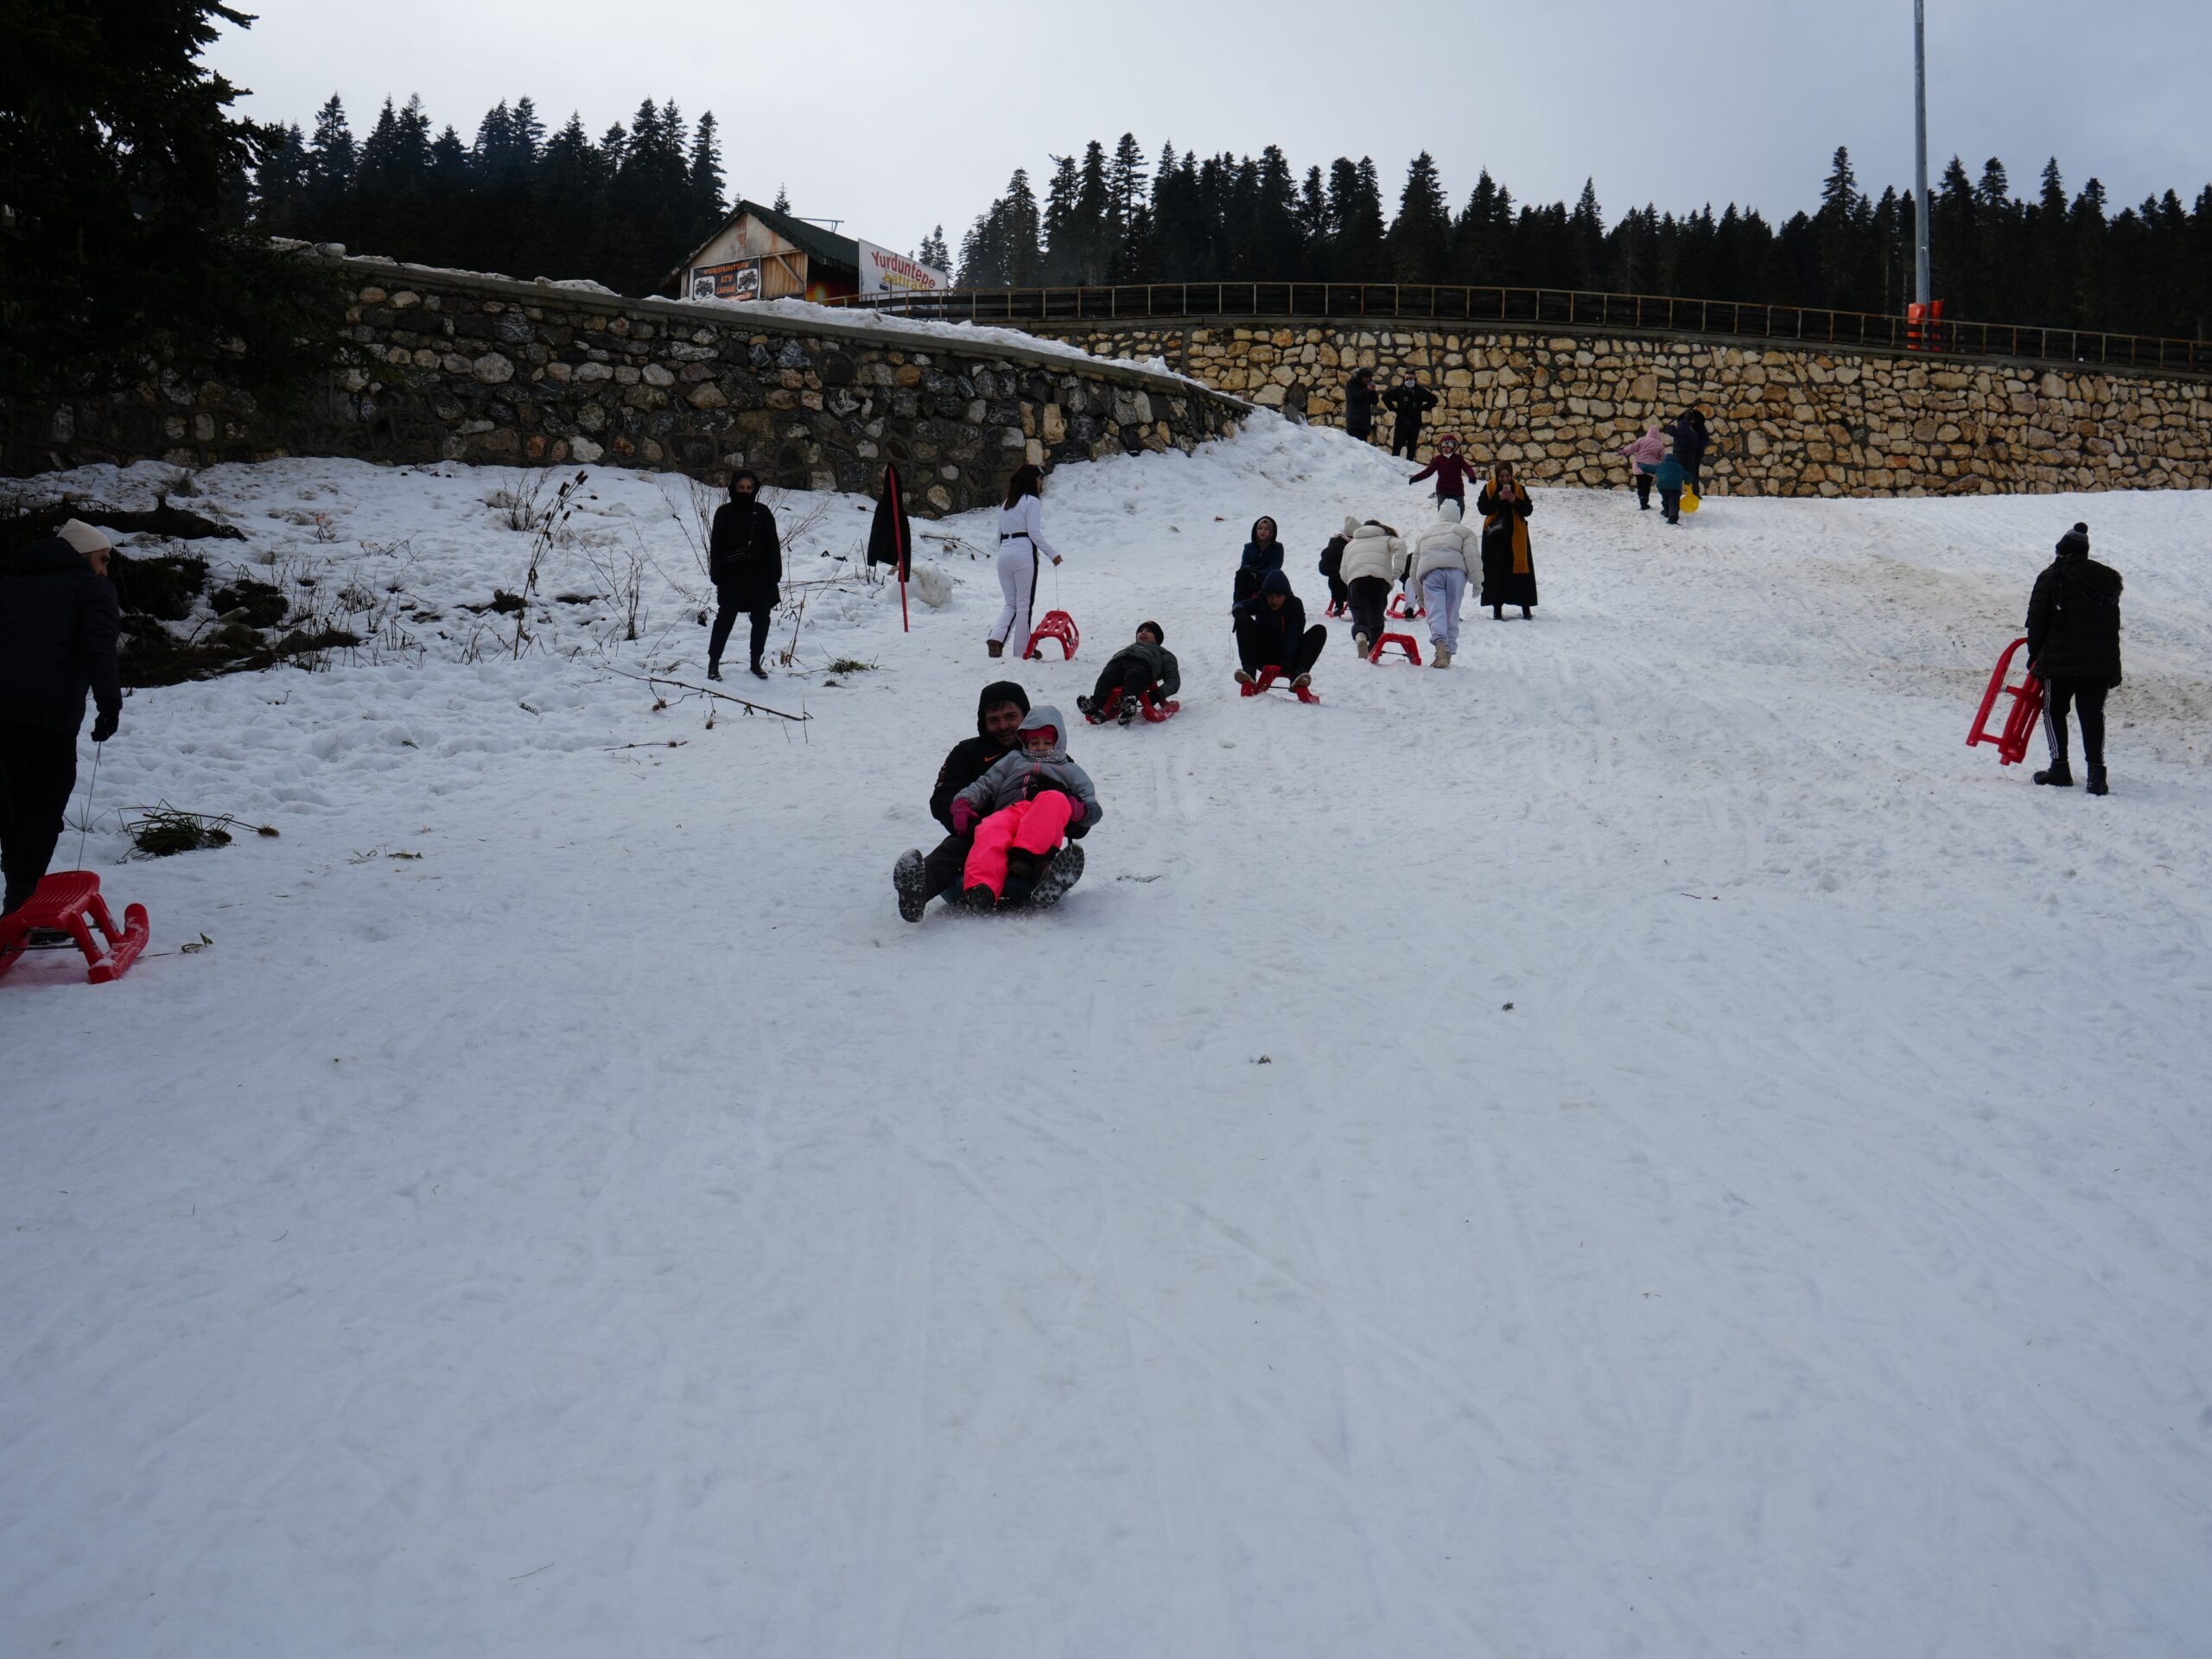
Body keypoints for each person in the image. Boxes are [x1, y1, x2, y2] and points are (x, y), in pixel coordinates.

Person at [1, 519, 122, 923]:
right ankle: (22, 903)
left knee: (13, 804)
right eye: (102, 559)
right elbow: (99, 647)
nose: (104, 569)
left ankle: (18, 897)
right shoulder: (92, 589)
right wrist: (109, 703)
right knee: (42, 805)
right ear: (83, 555)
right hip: (49, 716)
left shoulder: (9, 583)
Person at [893, 680, 1031, 921]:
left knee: (1039, 858)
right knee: (952, 851)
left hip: (1030, 841)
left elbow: (1072, 797)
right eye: (994, 720)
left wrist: (1076, 814)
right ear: (983, 722)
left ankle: (1048, 882)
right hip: (976, 835)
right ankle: (919, 889)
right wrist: (968, 824)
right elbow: (943, 796)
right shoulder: (967, 752)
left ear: (1025, 716)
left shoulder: (1044, 750)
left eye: (1011, 717)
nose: (1003, 726)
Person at [947, 706, 1099, 911]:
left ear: (1058, 742)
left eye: (1047, 743)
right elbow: (986, 783)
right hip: (1013, 811)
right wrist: (963, 802)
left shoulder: (1070, 769)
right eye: (1034, 742)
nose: (1040, 747)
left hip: (1045, 819)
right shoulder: (1014, 759)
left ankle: (1041, 874)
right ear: (1025, 741)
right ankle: (982, 889)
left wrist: (1081, 810)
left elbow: (1092, 804)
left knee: (1055, 797)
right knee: (990, 826)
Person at [2025, 522, 2123, 795]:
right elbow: (2112, 624)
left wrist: (2035, 655)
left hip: (2060, 662)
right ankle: (2096, 775)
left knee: (2054, 710)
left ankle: (2059, 768)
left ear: (2062, 552)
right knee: (2092, 714)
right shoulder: (2107, 579)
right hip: (2100, 662)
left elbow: (2037, 620)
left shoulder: (2052, 576)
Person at [707, 470, 780, 680]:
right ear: (734, 488)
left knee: (762, 620)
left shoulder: (762, 512)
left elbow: (773, 545)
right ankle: (713, 663)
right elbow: (716, 546)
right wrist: (717, 574)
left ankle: (755, 662)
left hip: (760, 578)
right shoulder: (724, 513)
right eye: (741, 487)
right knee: (724, 621)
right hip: (732, 578)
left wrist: (775, 574)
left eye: (749, 488)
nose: (745, 491)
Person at [988, 463, 1061, 659]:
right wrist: (1052, 554)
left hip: (1004, 553)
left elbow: (999, 534)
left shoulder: (1007, 503)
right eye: (1039, 479)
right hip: (1023, 552)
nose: (1040, 483)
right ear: (1031, 480)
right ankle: (1022, 651)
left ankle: (996, 637)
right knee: (1023, 604)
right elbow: (1034, 532)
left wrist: (1004, 552)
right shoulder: (1032, 501)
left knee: (1010, 603)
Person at [1411, 499, 1479, 667]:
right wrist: (1477, 581)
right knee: (1452, 611)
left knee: (1436, 610)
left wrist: (1419, 594)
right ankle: (1448, 653)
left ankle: (1440, 649)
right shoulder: (1464, 532)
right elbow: (1472, 558)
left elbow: (1414, 567)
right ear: (1457, 516)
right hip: (1456, 573)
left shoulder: (1424, 535)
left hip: (1431, 572)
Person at [1232, 569, 1325, 690]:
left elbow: (1295, 634)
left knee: (1319, 631)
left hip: (1290, 656)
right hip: (1264, 653)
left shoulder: (1295, 604)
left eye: (1278, 596)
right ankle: (1249, 670)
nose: (1274, 600)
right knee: (1242, 618)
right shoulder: (1260, 601)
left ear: (1286, 596)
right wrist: (1239, 612)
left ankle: (1299, 673)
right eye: (1270, 596)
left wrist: (1287, 661)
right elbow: (1239, 605)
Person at [1077, 622, 1180, 722]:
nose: (1143, 632)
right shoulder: (1130, 647)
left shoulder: (1163, 653)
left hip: (1142, 665)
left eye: (1149, 631)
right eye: (1140, 631)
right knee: (1105, 678)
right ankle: (1096, 705)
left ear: (1157, 638)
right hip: (1117, 664)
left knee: (1134, 676)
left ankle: (1129, 702)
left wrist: (1158, 695)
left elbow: (1174, 681)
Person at [1338, 517, 1408, 659]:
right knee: (1377, 617)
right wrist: (1398, 570)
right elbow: (1400, 544)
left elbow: (1343, 572)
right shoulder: (1387, 538)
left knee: (1360, 615)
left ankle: (1361, 634)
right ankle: (1374, 649)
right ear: (1379, 528)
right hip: (1379, 581)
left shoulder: (1350, 544)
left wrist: (1350, 583)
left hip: (1356, 580)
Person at [1477, 462, 1538, 620]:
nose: (1505, 479)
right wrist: (1498, 498)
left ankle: (1526, 608)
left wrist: (1514, 500)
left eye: (1508, 476)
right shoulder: (1489, 488)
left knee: (1521, 573)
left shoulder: (1519, 489)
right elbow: (1483, 508)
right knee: (1497, 573)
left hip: (1516, 537)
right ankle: (1497, 609)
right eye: (1501, 476)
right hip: (1495, 539)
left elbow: (1528, 510)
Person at [1408, 431, 1479, 508]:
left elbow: (1467, 468)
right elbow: (1428, 472)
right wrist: (1415, 478)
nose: (1445, 448)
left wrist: (1472, 476)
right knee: (1443, 512)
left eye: (1448, 447)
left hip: (1457, 490)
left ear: (1452, 448)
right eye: (1443, 446)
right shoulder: (1438, 459)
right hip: (1442, 490)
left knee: (1459, 510)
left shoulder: (1458, 458)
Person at [1382, 371, 1438, 461]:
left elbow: (1434, 399)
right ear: (1404, 379)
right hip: (1401, 422)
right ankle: (1394, 467)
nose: (1409, 380)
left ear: (1415, 379)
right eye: (1407, 379)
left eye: (1411, 378)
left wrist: (1422, 408)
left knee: (1411, 448)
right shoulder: (1400, 390)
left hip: (1415, 423)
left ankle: (1410, 467)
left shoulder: (1419, 390)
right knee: (1397, 448)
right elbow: (1385, 397)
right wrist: (1394, 409)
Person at [1232, 515, 1283, 605]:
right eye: (1260, 528)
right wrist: (1253, 571)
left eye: (1266, 529)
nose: (1262, 531)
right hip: (1251, 576)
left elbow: (1276, 566)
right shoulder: (1248, 547)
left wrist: (1260, 574)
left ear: (1272, 531)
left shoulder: (1278, 547)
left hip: (1268, 577)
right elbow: (1244, 564)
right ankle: (1238, 606)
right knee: (1241, 574)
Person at [1617, 423, 1668, 510]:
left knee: (1640, 485)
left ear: (1649, 432)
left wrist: (1624, 451)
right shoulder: (1660, 444)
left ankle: (1642, 502)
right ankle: (1644, 504)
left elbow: (1633, 448)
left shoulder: (1642, 440)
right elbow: (1662, 458)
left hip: (1638, 466)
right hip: (1649, 468)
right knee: (1646, 486)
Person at [1663, 408, 1712, 495]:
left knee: (1693, 472)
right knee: (1690, 472)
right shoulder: (1684, 425)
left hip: (1695, 452)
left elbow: (1705, 439)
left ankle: (1693, 492)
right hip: (1687, 452)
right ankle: (1688, 492)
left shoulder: (1699, 426)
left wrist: (1698, 447)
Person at [1318, 521, 1351, 614]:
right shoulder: (1335, 547)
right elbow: (1324, 567)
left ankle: (1340, 605)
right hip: (1341, 584)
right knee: (1336, 578)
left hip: (1350, 584)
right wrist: (1341, 570)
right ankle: (1339, 605)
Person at [1650, 448, 1688, 524]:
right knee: (1674, 503)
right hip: (1675, 489)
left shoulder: (1661, 465)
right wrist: (1688, 481)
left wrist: (1641, 465)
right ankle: (1672, 518)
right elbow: (1688, 476)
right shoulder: (1679, 467)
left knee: (1665, 499)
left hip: (1663, 487)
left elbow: (1649, 468)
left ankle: (1666, 511)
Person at [1344, 367, 1381, 443]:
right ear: (1361, 377)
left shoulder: (1368, 386)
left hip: (1364, 424)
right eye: (1366, 378)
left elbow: (1374, 401)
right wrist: (1367, 390)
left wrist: (1372, 390)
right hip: (1354, 423)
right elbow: (1353, 396)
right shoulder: (1351, 384)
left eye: (1369, 378)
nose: (1367, 380)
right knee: (1354, 446)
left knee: (1363, 448)